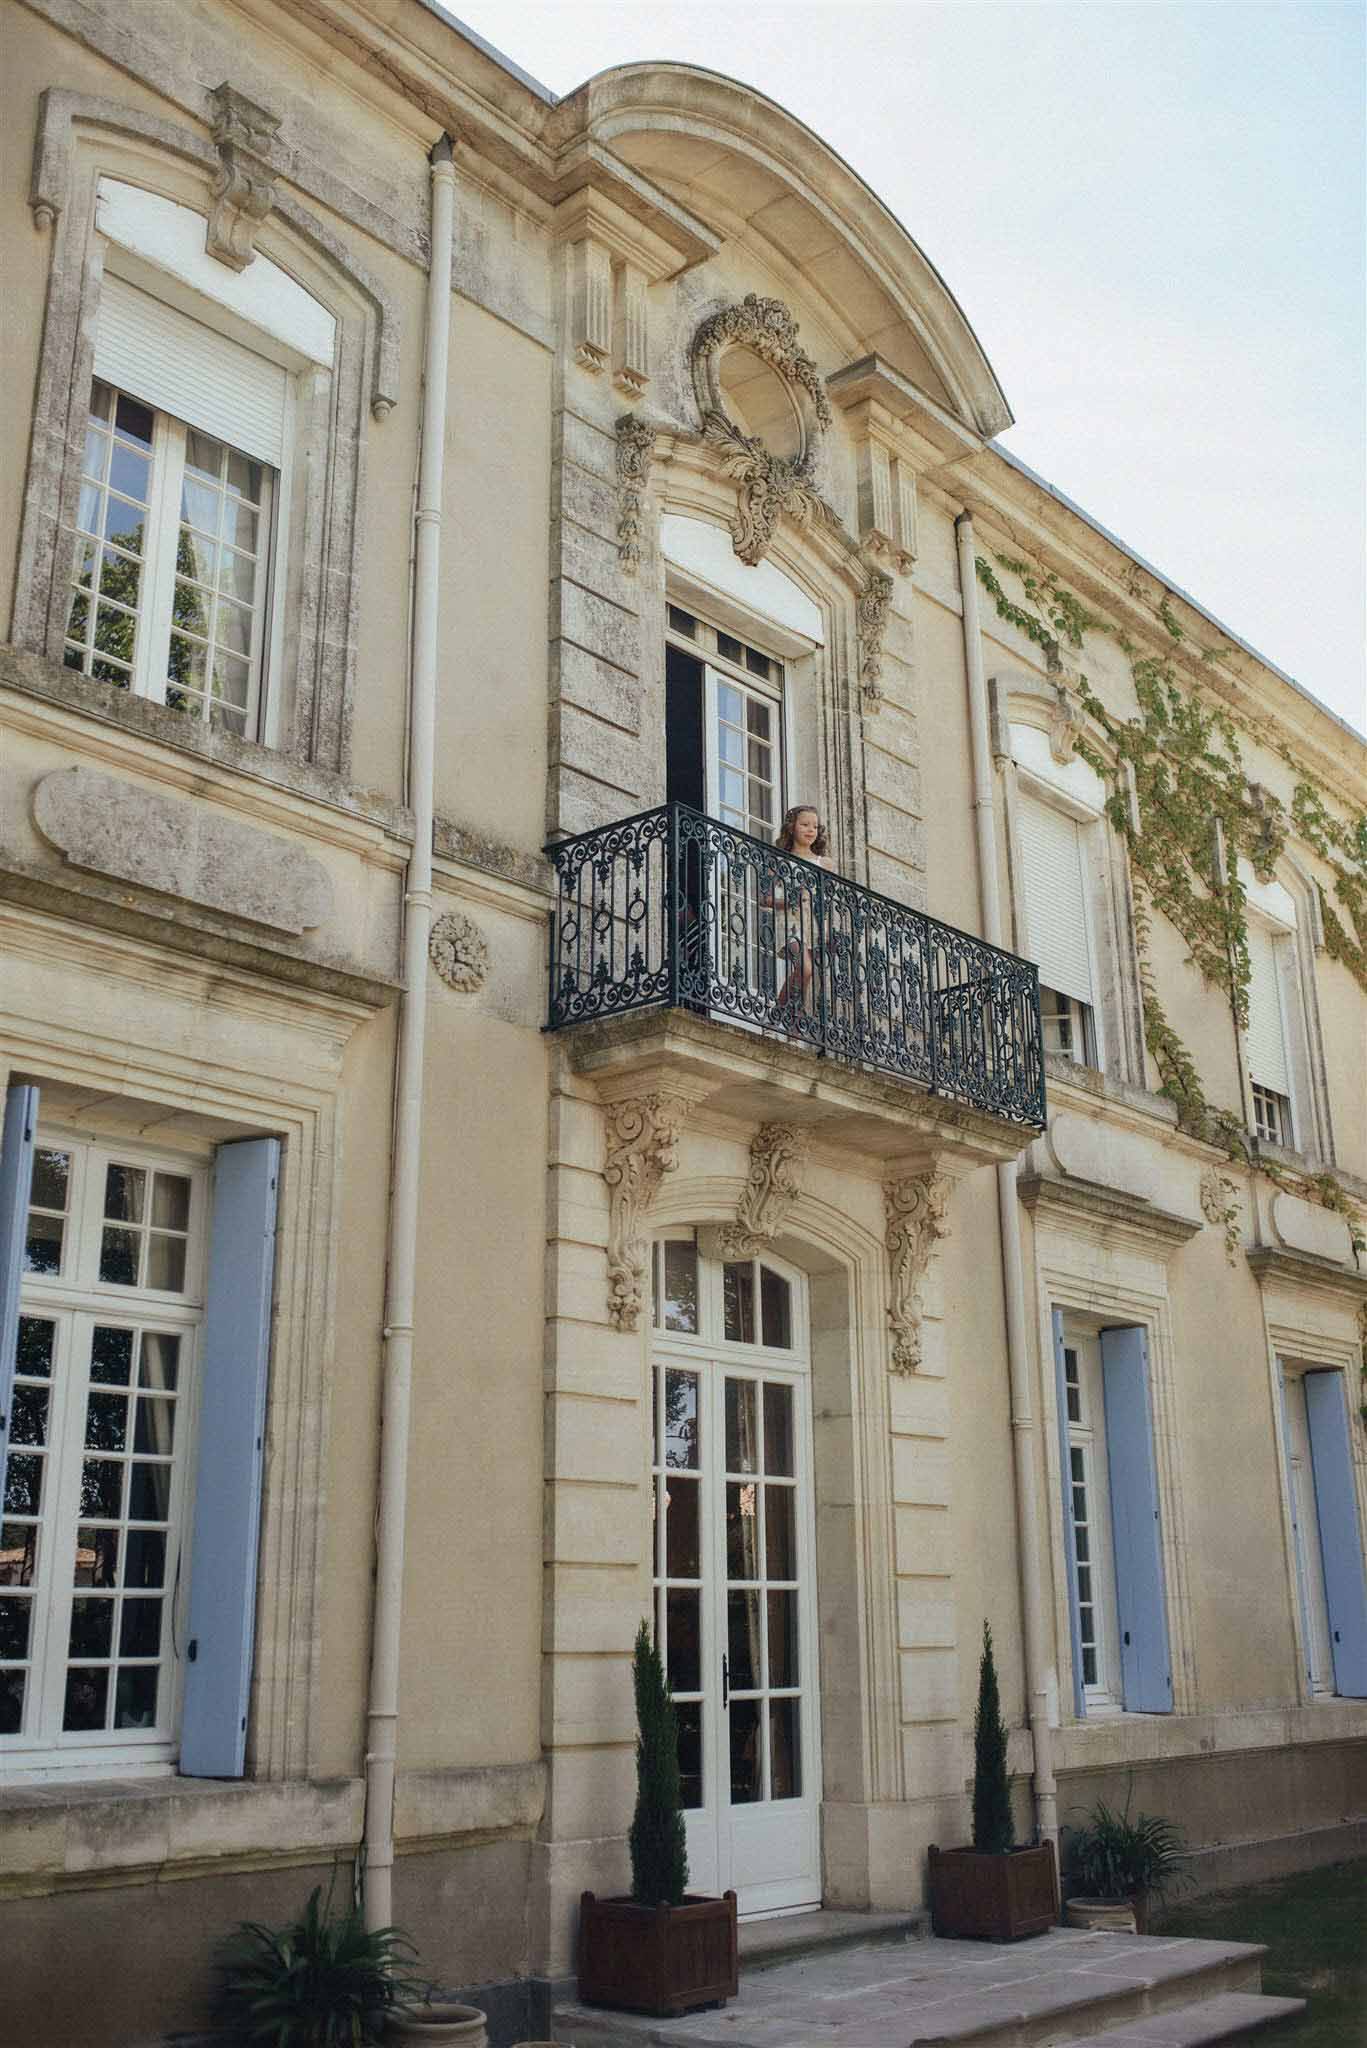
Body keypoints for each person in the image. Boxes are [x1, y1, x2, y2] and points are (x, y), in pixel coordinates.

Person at [770, 804, 832, 1022]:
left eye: (815, 826)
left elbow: (832, 899)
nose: (810, 830)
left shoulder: (824, 863)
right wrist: (787, 902)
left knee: (807, 976)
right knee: (805, 969)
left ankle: (791, 1019)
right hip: (789, 921)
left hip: (813, 922)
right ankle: (779, 1010)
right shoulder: (780, 860)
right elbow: (763, 898)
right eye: (805, 824)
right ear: (792, 827)